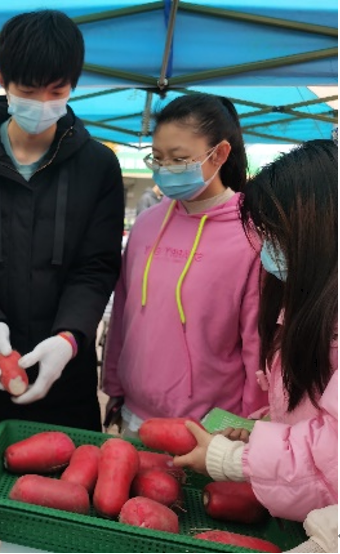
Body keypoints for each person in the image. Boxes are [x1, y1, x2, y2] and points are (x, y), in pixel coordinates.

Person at [0, 10, 124, 552]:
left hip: (65, 375)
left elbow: (97, 266)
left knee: (54, 517)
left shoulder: (98, 166)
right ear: (1, 80)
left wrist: (70, 338)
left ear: (74, 86)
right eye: (28, 89)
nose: (41, 103)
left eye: (56, 90)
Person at [174, 139, 338, 553]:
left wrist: (232, 460)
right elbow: (312, 404)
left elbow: (333, 455)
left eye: (276, 233)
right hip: (305, 514)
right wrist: (260, 428)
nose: (267, 247)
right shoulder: (305, 299)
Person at [102, 93, 267, 438]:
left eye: (178, 159)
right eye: (158, 158)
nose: (165, 170)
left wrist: (249, 423)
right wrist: (114, 388)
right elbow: (123, 313)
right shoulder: (147, 224)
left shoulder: (251, 236)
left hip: (209, 429)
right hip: (134, 414)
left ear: (219, 154)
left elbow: (257, 341)